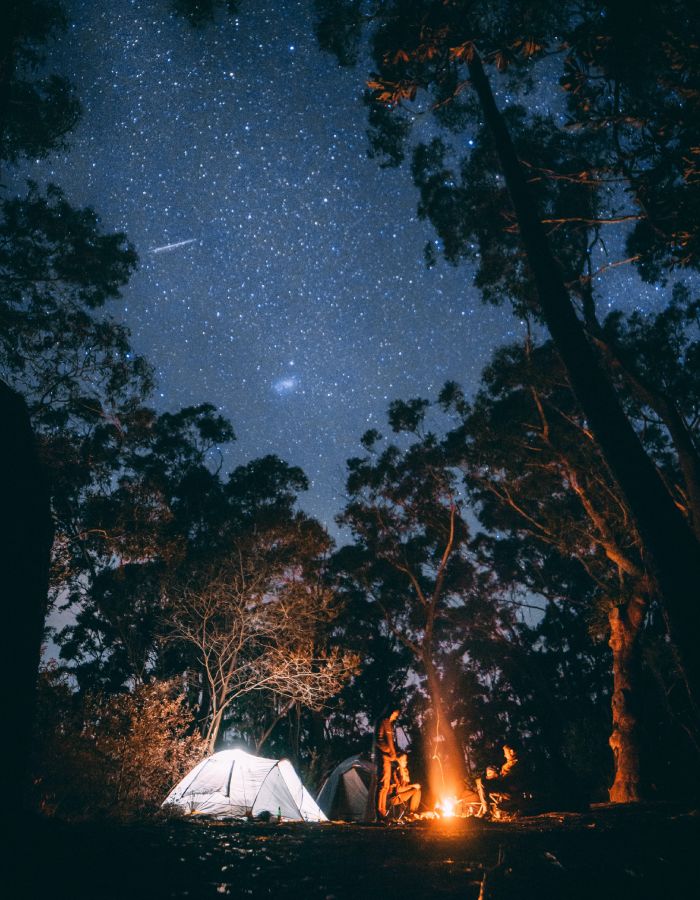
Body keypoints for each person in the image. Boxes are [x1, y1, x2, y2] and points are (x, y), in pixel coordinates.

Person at [475, 742, 524, 818]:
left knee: (481, 782)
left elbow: (508, 778)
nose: (505, 755)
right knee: (481, 781)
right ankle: (488, 810)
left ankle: (487, 812)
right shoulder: (510, 763)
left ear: (511, 752)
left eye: (506, 753)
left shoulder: (517, 763)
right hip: (505, 787)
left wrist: (495, 777)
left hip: (509, 791)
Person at [373, 705, 400, 819]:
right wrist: (389, 751)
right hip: (383, 757)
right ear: (391, 712)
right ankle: (379, 813)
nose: (396, 717)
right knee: (382, 785)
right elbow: (378, 740)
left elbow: (389, 741)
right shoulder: (382, 722)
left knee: (386, 785)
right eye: (395, 714)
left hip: (388, 758)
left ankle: (382, 812)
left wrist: (394, 754)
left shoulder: (389, 724)